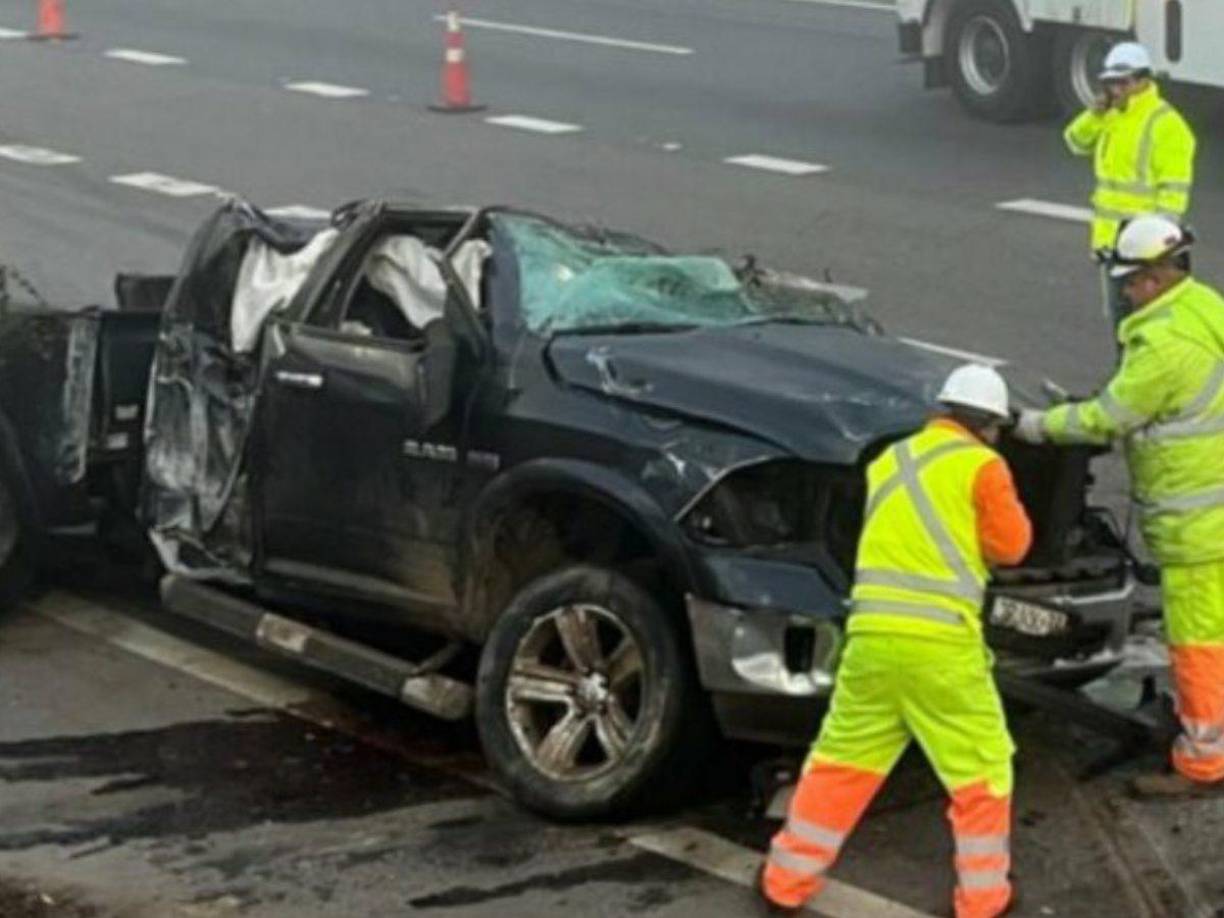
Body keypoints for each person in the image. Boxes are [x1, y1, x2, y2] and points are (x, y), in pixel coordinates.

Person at [761, 364, 1032, 917]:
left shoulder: (891, 460)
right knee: (982, 769)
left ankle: (784, 881)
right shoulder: (982, 465)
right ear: (989, 425)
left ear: (943, 411)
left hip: (870, 639)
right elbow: (1012, 547)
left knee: (841, 762)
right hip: (939, 647)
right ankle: (984, 899)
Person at [1015, 216, 1224, 797]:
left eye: (1130, 283)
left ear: (1155, 279)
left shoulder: (1162, 344)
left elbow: (1107, 417)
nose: (1126, 293)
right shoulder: (1204, 306)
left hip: (1199, 522)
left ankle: (1204, 762)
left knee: (1199, 638)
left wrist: (1035, 426)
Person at [1063, 41, 1196, 331]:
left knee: (1147, 326)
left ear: (1144, 80)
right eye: (1110, 83)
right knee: (1120, 324)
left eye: (1122, 83)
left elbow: (1173, 197)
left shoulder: (1167, 125)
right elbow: (1074, 141)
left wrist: (1159, 253)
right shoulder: (1111, 116)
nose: (1115, 90)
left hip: (1144, 252)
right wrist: (1094, 113)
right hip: (1110, 245)